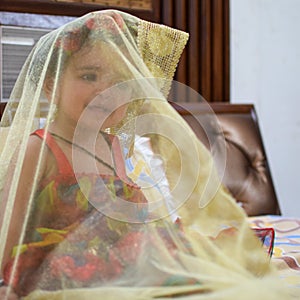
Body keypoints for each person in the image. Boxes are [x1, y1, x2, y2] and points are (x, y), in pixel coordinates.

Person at [0, 9, 294, 299]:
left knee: (214, 257)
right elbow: (7, 232)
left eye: (120, 82)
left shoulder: (114, 146)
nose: (105, 91)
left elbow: (123, 216)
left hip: (125, 256)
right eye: (89, 75)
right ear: (51, 87)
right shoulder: (40, 150)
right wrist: (9, 283)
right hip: (71, 265)